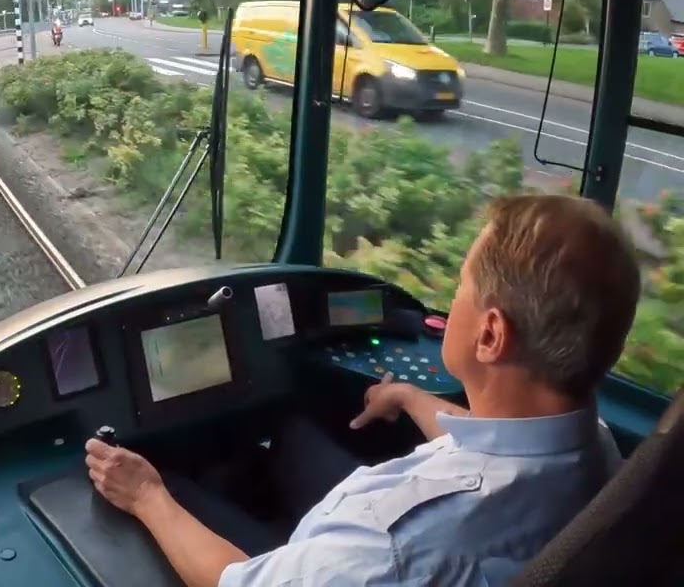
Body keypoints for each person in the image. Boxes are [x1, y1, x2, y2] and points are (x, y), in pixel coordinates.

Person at [86, 194, 638, 587]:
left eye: (462, 286)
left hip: (294, 566)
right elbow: (502, 448)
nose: (454, 296)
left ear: (490, 335)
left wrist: (147, 495)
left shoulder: (396, 550)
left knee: (170, 486)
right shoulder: (596, 443)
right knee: (286, 429)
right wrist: (412, 399)